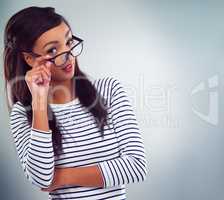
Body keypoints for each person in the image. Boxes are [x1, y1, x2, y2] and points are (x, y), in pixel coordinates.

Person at [3, 6, 148, 200]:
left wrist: (63, 176)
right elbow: (42, 179)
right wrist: (39, 101)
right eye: (53, 49)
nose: (68, 54)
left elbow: (136, 166)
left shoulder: (109, 90)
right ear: (30, 58)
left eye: (69, 42)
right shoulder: (23, 113)